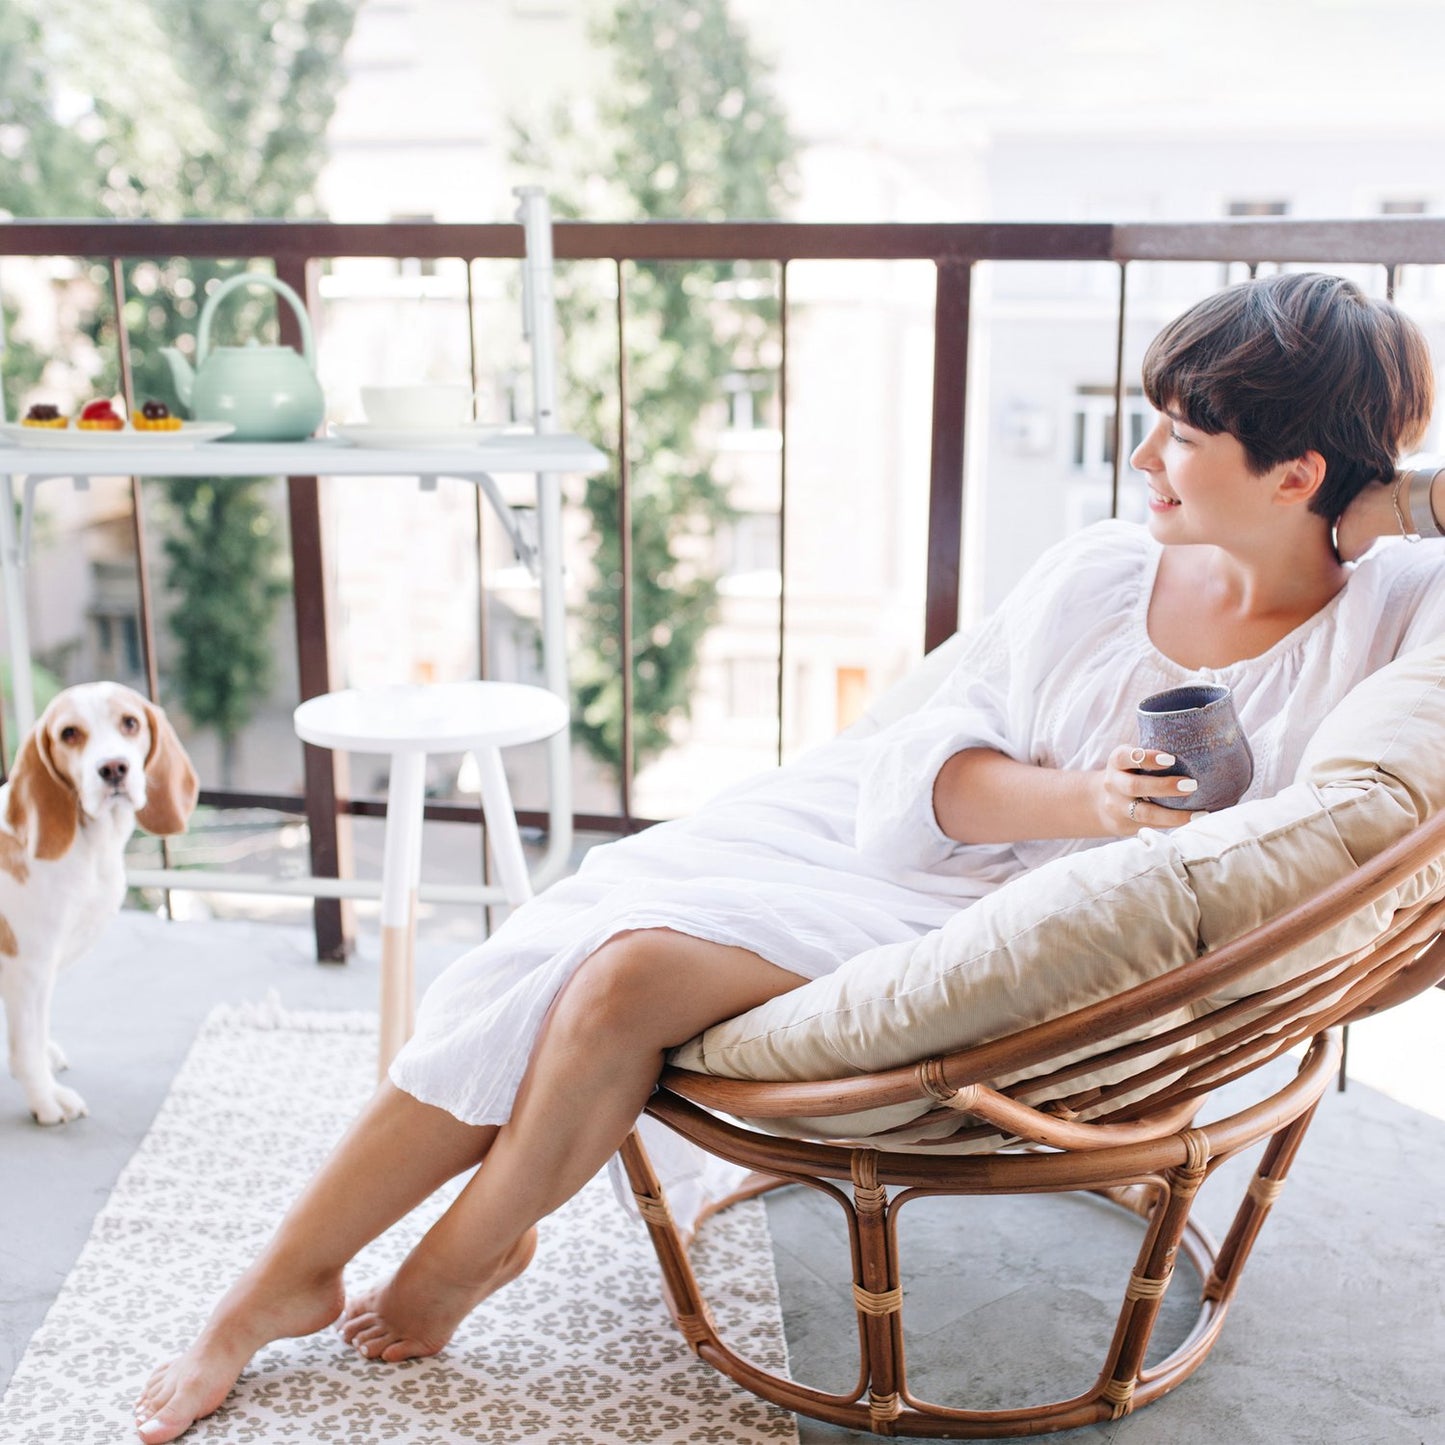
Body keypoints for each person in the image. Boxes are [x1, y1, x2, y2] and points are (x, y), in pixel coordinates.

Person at [133, 271, 1445, 1442]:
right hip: (903, 833)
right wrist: (1088, 799)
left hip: (1027, 924)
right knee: (560, 936)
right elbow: (930, 760)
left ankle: (471, 1243)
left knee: (625, 972)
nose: (1145, 454)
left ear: (1294, 476)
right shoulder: (1098, 574)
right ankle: (273, 1289)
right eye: (1153, 416)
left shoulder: (1383, 619)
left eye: (1184, 434)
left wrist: (1393, 488)